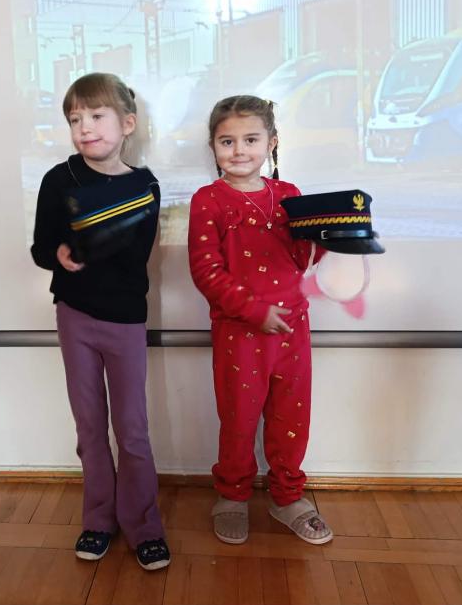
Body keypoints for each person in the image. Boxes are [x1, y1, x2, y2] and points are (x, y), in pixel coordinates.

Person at [30, 72, 170, 571]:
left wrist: (98, 235)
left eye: (95, 116)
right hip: (74, 317)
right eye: (74, 119)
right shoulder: (58, 179)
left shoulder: (145, 185)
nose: (84, 127)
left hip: (125, 320)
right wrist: (59, 253)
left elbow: (133, 256)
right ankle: (98, 520)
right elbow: (40, 248)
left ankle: (145, 526)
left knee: (131, 429)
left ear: (127, 123)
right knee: (90, 426)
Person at [187, 94, 334, 546]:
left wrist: (328, 238)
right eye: (227, 141)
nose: (239, 150)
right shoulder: (208, 200)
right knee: (239, 419)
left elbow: (301, 258)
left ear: (271, 143)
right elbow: (206, 271)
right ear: (213, 147)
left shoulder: (288, 195)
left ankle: (287, 497)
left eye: (250, 140)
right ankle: (231, 497)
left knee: (292, 416)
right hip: (240, 333)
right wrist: (255, 312)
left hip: (293, 328)